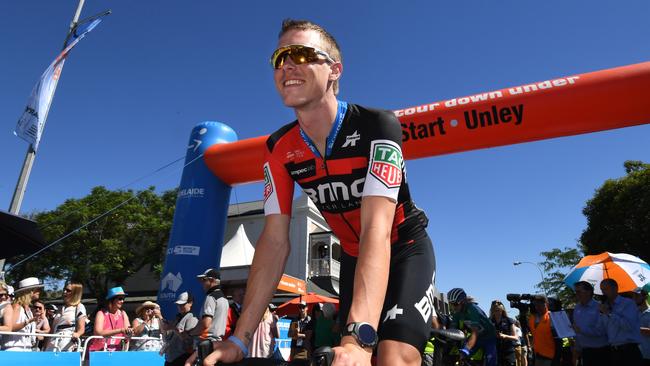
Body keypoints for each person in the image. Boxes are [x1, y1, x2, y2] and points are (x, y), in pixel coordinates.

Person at [201, 18, 436, 366]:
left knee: (391, 357)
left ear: (335, 70)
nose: (288, 65)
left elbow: (377, 229)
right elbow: (275, 241)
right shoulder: (279, 148)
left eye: (301, 54)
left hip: (405, 247)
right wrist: (240, 338)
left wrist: (359, 338)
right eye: (280, 58)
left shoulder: (377, 125)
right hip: (354, 257)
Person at [185, 268, 229, 364]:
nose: (202, 283)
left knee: (188, 363)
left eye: (204, 280)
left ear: (212, 280)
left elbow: (206, 323)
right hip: (218, 343)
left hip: (207, 343)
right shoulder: (224, 299)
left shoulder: (211, 297)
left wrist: (190, 333)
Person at [447, 288, 497, 366]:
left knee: (490, 362)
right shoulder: (457, 313)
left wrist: (466, 349)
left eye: (455, 304)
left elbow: (474, 333)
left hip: (489, 337)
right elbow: (453, 329)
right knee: (462, 358)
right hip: (478, 337)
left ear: (463, 302)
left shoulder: (473, 309)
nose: (453, 307)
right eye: (451, 304)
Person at [599, 278, 642, 365]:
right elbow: (604, 329)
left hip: (629, 351)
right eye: (602, 290)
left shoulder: (628, 303)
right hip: (613, 351)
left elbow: (628, 326)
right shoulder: (605, 307)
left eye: (606, 289)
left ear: (615, 288)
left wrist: (609, 314)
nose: (604, 293)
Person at [571, 281, 609, 366]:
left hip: (601, 353)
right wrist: (576, 349)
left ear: (588, 292)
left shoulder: (600, 308)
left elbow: (601, 331)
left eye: (578, 291)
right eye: (575, 292)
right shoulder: (577, 308)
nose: (576, 294)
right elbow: (576, 330)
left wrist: (581, 330)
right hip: (585, 352)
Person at [1, 277, 43, 351]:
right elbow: (11, 328)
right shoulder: (17, 306)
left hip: (26, 348)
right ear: (30, 291)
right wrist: (28, 322)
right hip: (13, 348)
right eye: (38, 289)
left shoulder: (28, 309)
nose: (39, 292)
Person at [45, 281, 87, 352]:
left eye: (68, 290)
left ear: (75, 293)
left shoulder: (79, 307)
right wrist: (45, 346)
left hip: (67, 341)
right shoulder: (62, 307)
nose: (64, 292)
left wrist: (77, 334)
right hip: (53, 340)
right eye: (64, 289)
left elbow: (81, 329)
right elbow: (52, 330)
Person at [89, 286, 133, 351]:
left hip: (116, 351)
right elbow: (98, 332)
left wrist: (130, 332)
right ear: (111, 299)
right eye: (120, 298)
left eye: (124, 299)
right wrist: (120, 330)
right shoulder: (101, 313)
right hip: (98, 351)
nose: (122, 301)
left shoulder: (123, 313)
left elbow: (127, 331)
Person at [161, 292, 198, 366]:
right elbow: (166, 338)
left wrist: (173, 328)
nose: (180, 306)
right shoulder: (176, 318)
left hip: (182, 358)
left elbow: (189, 341)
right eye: (178, 305)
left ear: (190, 303)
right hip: (170, 359)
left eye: (182, 304)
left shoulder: (192, 318)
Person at [527, 295, 555, 366]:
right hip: (538, 355)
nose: (538, 307)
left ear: (546, 304)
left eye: (540, 305)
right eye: (536, 305)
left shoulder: (552, 317)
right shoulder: (532, 318)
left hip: (550, 356)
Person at [490, 300, 518, 366]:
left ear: (502, 310)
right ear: (492, 311)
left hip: (508, 353)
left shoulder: (509, 320)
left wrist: (504, 336)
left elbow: (516, 337)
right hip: (495, 353)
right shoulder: (490, 321)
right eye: (495, 310)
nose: (497, 312)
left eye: (499, 310)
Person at [634, 287, 650, 366]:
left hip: (647, 354)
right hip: (636, 353)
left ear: (645, 297)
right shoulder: (634, 312)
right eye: (634, 295)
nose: (634, 298)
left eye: (637, 295)